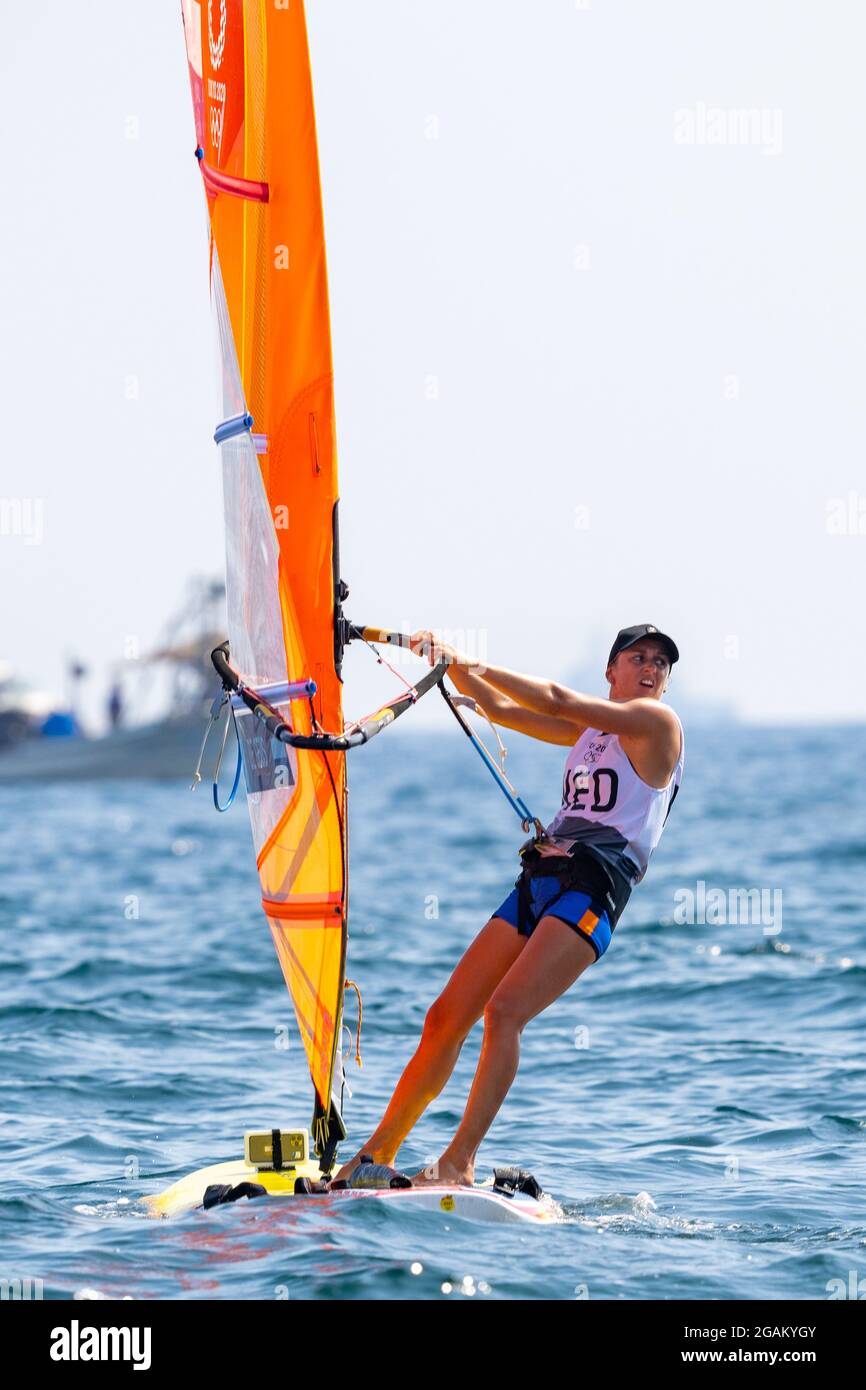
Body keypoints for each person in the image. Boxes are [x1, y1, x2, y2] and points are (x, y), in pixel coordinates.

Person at [332, 623, 684, 1188]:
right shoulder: (591, 732)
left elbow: (556, 697)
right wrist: (447, 666)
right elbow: (497, 705)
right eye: (637, 657)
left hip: (592, 891)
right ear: (611, 672)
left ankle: (459, 1161)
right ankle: (375, 1154)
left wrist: (468, 656)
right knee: (445, 1017)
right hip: (542, 878)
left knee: (503, 1014)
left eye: (661, 663)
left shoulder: (658, 723)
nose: (650, 668)